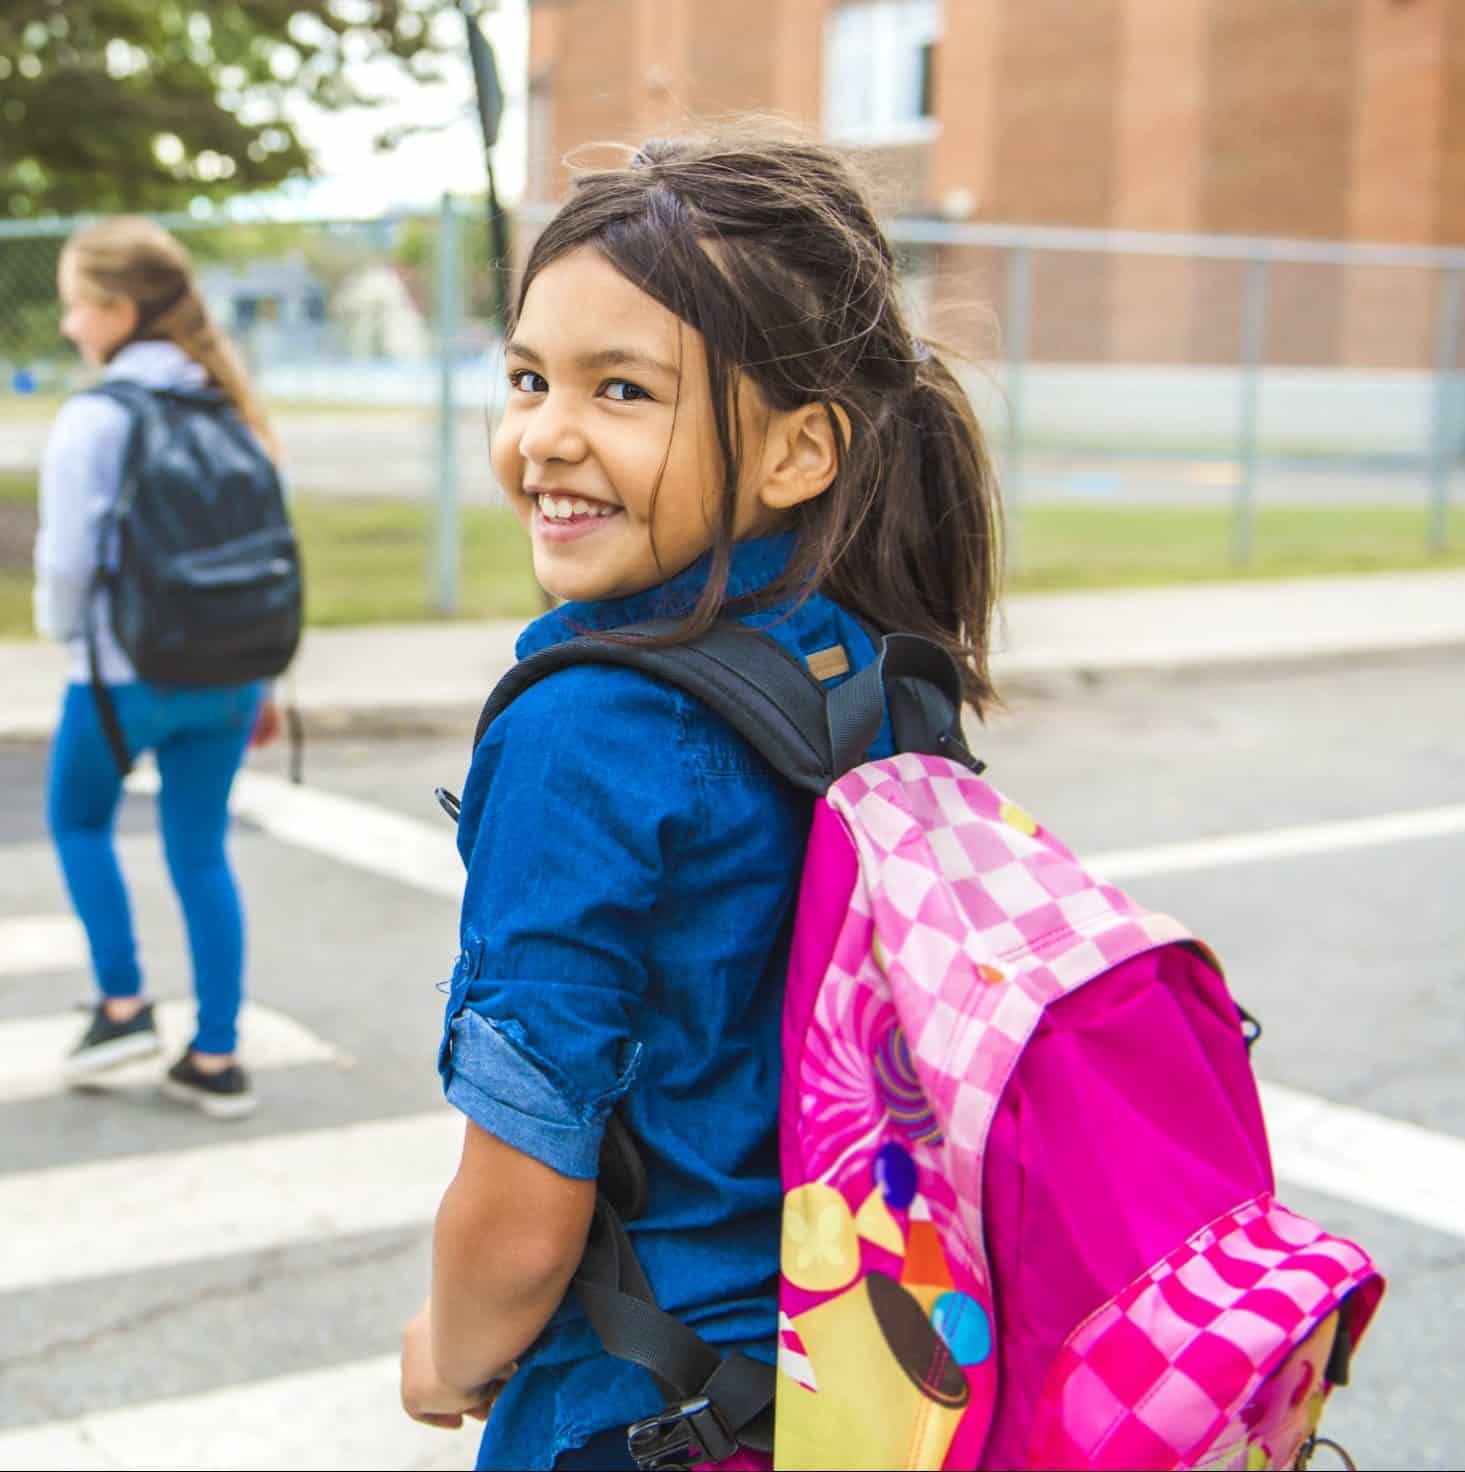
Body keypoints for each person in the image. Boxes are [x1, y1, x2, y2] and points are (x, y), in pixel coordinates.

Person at [398, 130, 1003, 1470]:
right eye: (527, 378)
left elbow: (524, 1185)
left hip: (644, 1402)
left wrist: (447, 1349)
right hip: (860, 1376)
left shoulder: (585, 730)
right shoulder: (872, 659)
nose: (544, 436)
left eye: (622, 390)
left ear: (798, 452)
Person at [34, 217, 282, 1120]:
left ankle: (123, 1003)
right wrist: (268, 682)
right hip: (230, 677)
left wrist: (64, 643)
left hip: (118, 676)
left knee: (77, 820)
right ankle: (216, 1057)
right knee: (200, 851)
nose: (69, 326)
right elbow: (265, 553)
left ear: (118, 310)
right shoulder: (231, 404)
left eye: (75, 308)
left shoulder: (95, 418)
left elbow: (65, 563)